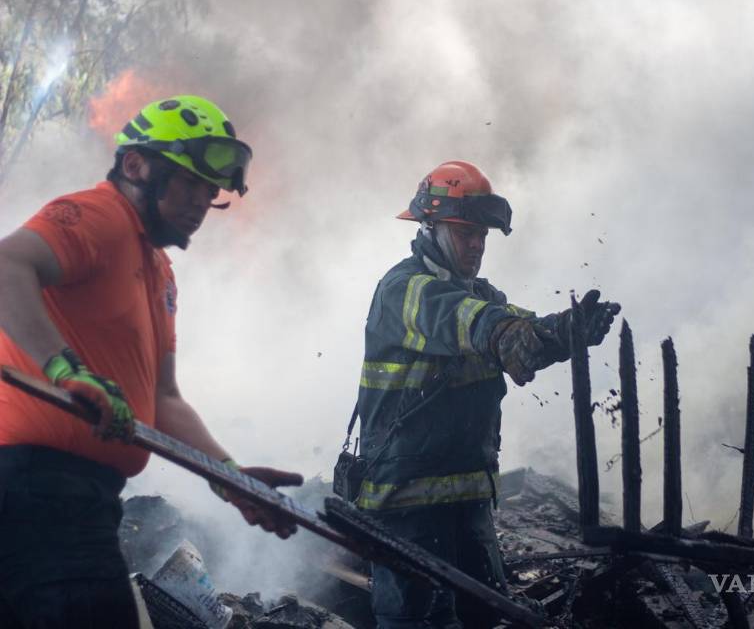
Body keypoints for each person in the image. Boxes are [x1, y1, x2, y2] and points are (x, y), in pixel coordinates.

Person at [0, 95, 303, 628]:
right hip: (35, 487)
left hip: (81, 498)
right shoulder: (101, 216)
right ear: (137, 165)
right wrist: (66, 371)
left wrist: (228, 476)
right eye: (189, 183)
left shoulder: (159, 272)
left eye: (210, 191)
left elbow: (163, 400)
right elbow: (6, 265)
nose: (202, 202)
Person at [353, 160, 620, 628]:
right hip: (407, 508)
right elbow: (465, 320)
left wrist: (563, 331)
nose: (477, 244)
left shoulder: (482, 295)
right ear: (430, 227)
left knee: (488, 618)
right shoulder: (404, 290)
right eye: (465, 233)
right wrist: (505, 333)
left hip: (469, 502)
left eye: (482, 235)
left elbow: (520, 330)